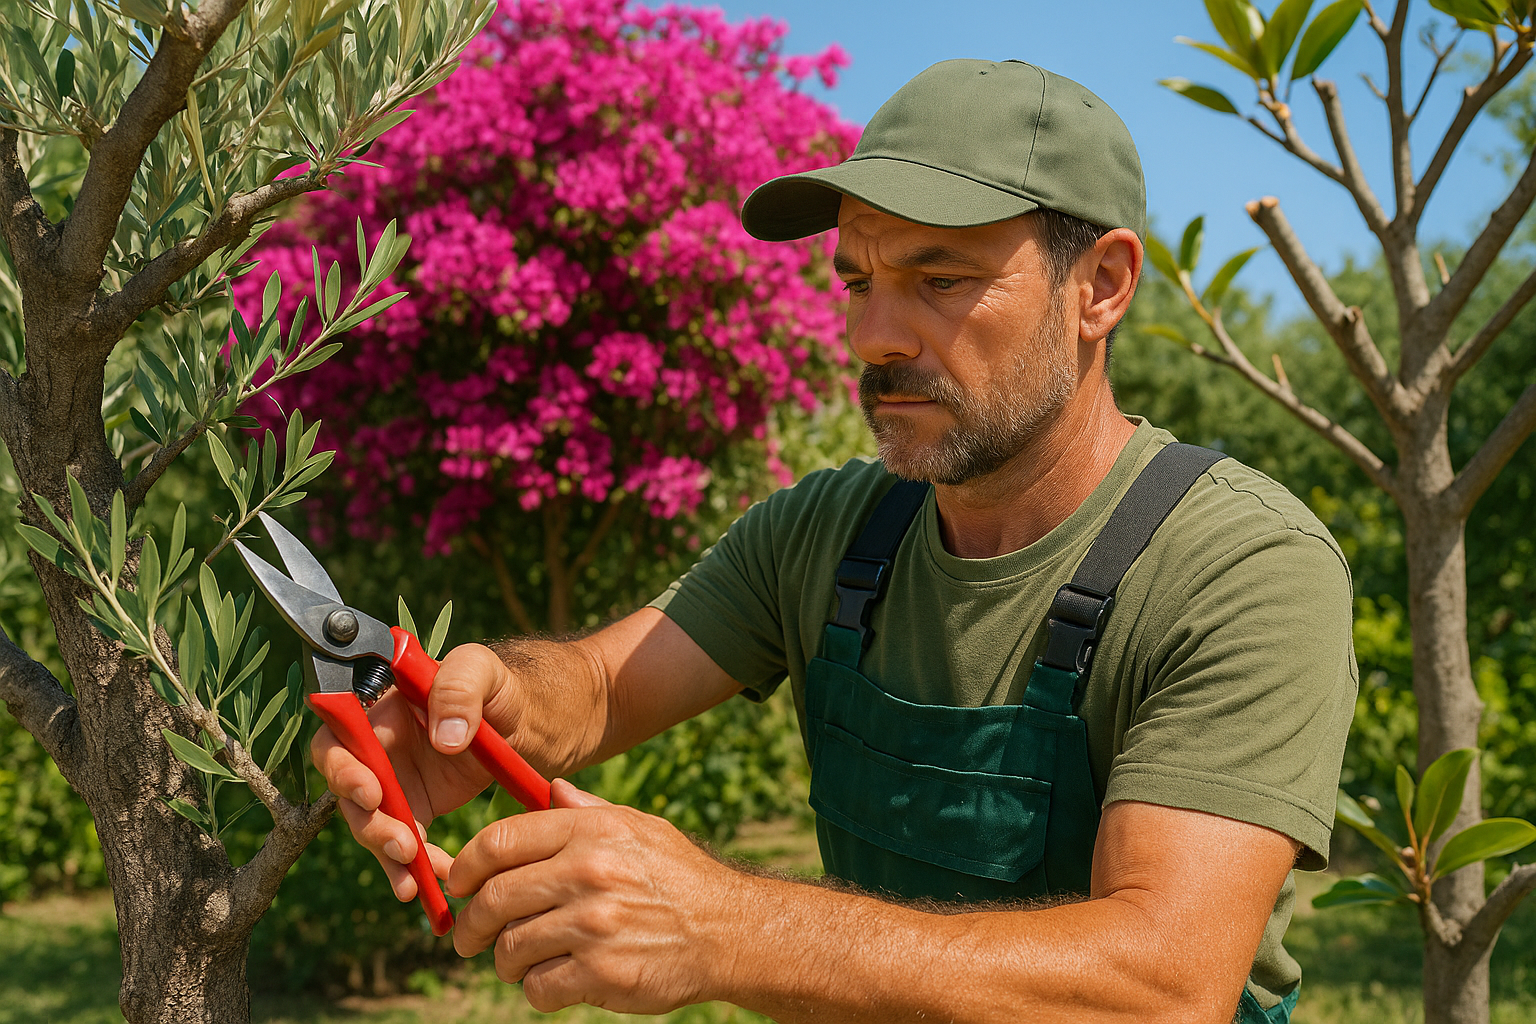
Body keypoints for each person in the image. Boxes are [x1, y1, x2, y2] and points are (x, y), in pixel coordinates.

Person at [314, 59, 1356, 1024]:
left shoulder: (1238, 568)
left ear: (1103, 286)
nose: (873, 338)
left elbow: (1161, 984)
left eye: (940, 278)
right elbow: (599, 686)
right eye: (858, 280)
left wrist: (724, 924)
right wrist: (487, 703)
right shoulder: (830, 532)